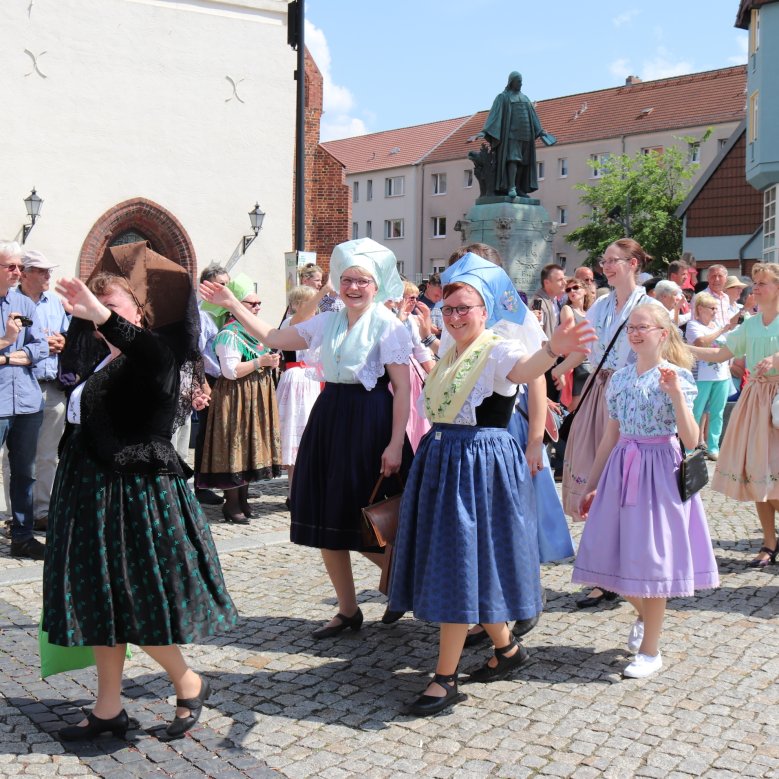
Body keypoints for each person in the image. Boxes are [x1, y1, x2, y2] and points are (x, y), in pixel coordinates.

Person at [44, 243, 237, 741]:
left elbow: (147, 351)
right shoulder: (102, 365)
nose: (98, 317)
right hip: (92, 495)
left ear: (138, 314)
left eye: (113, 306)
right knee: (100, 602)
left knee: (135, 598)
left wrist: (103, 315)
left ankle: (188, 680)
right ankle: (108, 707)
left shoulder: (157, 357)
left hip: (133, 497)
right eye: (94, 308)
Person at [388, 252, 595, 715]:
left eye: (465, 308)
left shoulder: (498, 347)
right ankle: (507, 649)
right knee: (465, 561)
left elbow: (526, 372)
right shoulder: (447, 348)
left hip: (478, 464)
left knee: (460, 563)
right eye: (450, 309)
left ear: (485, 311)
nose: (456, 316)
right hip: (443, 460)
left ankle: (445, 677)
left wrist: (553, 349)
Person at [200, 238, 413, 637]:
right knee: (327, 517)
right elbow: (276, 338)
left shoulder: (388, 325)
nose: (353, 287)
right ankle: (349, 610)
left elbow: (402, 389)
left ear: (376, 285)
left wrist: (395, 443)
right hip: (330, 418)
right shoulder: (327, 321)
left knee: (371, 520)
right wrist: (233, 305)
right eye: (347, 279)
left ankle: (411, 588)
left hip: (371, 422)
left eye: (362, 281)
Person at [572, 303, 719, 679]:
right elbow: (610, 435)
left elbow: (692, 439)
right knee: (610, 556)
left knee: (652, 559)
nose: (635, 333)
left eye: (643, 327)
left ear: (662, 333)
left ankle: (651, 649)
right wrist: (591, 483)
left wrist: (677, 396)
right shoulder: (619, 378)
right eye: (631, 328)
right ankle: (644, 616)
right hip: (624, 466)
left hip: (660, 469)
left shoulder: (679, 376)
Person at [556, 239, 663, 608]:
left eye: (613, 261)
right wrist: (554, 370)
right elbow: (582, 347)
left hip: (633, 396)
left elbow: (665, 353)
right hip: (600, 391)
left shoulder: (650, 307)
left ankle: (624, 570)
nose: (606, 266)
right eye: (604, 261)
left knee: (622, 485)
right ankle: (604, 571)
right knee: (593, 478)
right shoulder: (601, 304)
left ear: (633, 263)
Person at [686, 262, 779, 568]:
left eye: (763, 283)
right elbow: (721, 354)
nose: (757, 288)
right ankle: (769, 541)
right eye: (756, 282)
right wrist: (684, 349)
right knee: (757, 473)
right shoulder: (749, 325)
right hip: (756, 402)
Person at [198, 275, 282, 523]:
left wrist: (271, 364)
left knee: (247, 449)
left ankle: (243, 500)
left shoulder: (253, 331)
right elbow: (230, 371)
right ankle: (231, 503)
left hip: (253, 395)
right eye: (251, 303)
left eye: (258, 303)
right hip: (235, 398)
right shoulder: (229, 333)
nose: (257, 307)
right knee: (234, 449)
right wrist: (260, 362)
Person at [0, 240, 48, 559]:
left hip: (28, 403)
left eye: (20, 267)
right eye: (11, 267)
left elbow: (41, 348)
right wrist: (8, 340)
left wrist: (6, 357)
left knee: (25, 472)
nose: (18, 272)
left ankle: (22, 536)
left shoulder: (25, 303)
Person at [15, 250, 69, 532]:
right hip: (21, 386)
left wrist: (63, 340)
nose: (49, 275)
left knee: (48, 453)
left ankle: (42, 510)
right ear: (24, 273)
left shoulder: (55, 303)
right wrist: (37, 348)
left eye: (49, 270)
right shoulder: (11, 302)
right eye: (42, 271)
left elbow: (66, 334)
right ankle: (19, 512)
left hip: (51, 389)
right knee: (17, 454)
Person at [277, 285, 322, 504]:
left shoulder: (319, 323)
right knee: (296, 435)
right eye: (308, 302)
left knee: (312, 437)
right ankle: (293, 492)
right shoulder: (290, 322)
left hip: (315, 379)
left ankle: (309, 491)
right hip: (297, 379)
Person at [480, 71, 552, 198]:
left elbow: (533, 117)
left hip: (526, 135)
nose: (521, 83)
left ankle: (518, 187)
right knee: (513, 159)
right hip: (511, 135)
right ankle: (511, 186)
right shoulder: (503, 97)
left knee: (523, 163)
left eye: (521, 81)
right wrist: (484, 131)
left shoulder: (525, 98)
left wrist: (539, 131)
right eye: (518, 81)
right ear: (511, 82)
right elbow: (494, 115)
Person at [194, 264, 230, 507]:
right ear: (207, 285)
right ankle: (200, 486)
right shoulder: (201, 313)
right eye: (222, 284)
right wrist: (203, 384)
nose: (227, 289)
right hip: (207, 380)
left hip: (223, 379)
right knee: (206, 436)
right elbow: (195, 354)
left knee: (220, 435)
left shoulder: (222, 311)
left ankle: (226, 483)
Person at [685, 292, 734, 460]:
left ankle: (713, 447)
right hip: (701, 376)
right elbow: (701, 342)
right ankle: (688, 447)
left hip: (721, 376)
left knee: (717, 413)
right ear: (700, 309)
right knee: (696, 412)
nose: (715, 311)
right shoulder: (693, 325)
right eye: (711, 308)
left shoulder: (717, 324)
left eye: (716, 308)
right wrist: (722, 330)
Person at [553, 276, 593, 412]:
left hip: (591, 363)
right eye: (568, 289)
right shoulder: (567, 309)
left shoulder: (590, 312)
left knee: (588, 407)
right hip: (576, 364)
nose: (572, 291)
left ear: (585, 291)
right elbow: (570, 338)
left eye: (576, 287)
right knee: (574, 408)